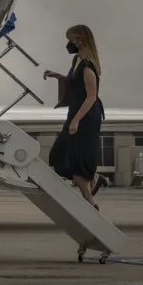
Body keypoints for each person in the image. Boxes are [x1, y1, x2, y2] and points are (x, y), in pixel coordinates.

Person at [42, 25, 106, 207]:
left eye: (71, 39)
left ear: (80, 39)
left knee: (78, 160)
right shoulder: (77, 59)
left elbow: (91, 97)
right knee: (59, 154)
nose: (69, 43)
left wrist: (76, 120)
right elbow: (76, 83)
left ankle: (89, 203)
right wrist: (59, 76)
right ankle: (95, 179)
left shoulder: (87, 65)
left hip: (86, 115)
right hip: (75, 112)